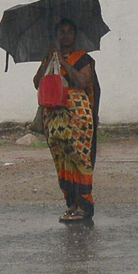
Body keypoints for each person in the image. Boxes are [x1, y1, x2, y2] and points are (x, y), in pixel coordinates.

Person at [34, 18, 100, 223]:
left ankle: (85, 204)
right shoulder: (50, 57)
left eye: (69, 32)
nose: (65, 36)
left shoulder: (83, 59)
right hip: (55, 118)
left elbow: (83, 81)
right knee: (62, 161)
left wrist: (64, 63)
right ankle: (71, 203)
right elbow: (37, 83)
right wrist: (48, 61)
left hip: (78, 117)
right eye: (61, 32)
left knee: (79, 159)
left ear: (76, 35)